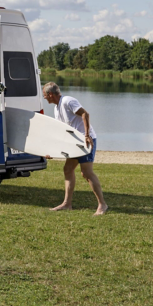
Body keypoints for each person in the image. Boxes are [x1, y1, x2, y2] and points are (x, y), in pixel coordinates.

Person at [42, 82, 108, 215]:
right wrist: (52, 151)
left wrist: (87, 135)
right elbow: (62, 132)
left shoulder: (67, 101)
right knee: (68, 169)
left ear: (50, 94)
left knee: (86, 173)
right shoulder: (57, 109)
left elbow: (85, 114)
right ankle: (67, 204)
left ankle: (102, 205)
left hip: (85, 140)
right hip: (74, 143)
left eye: (45, 95)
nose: (44, 98)